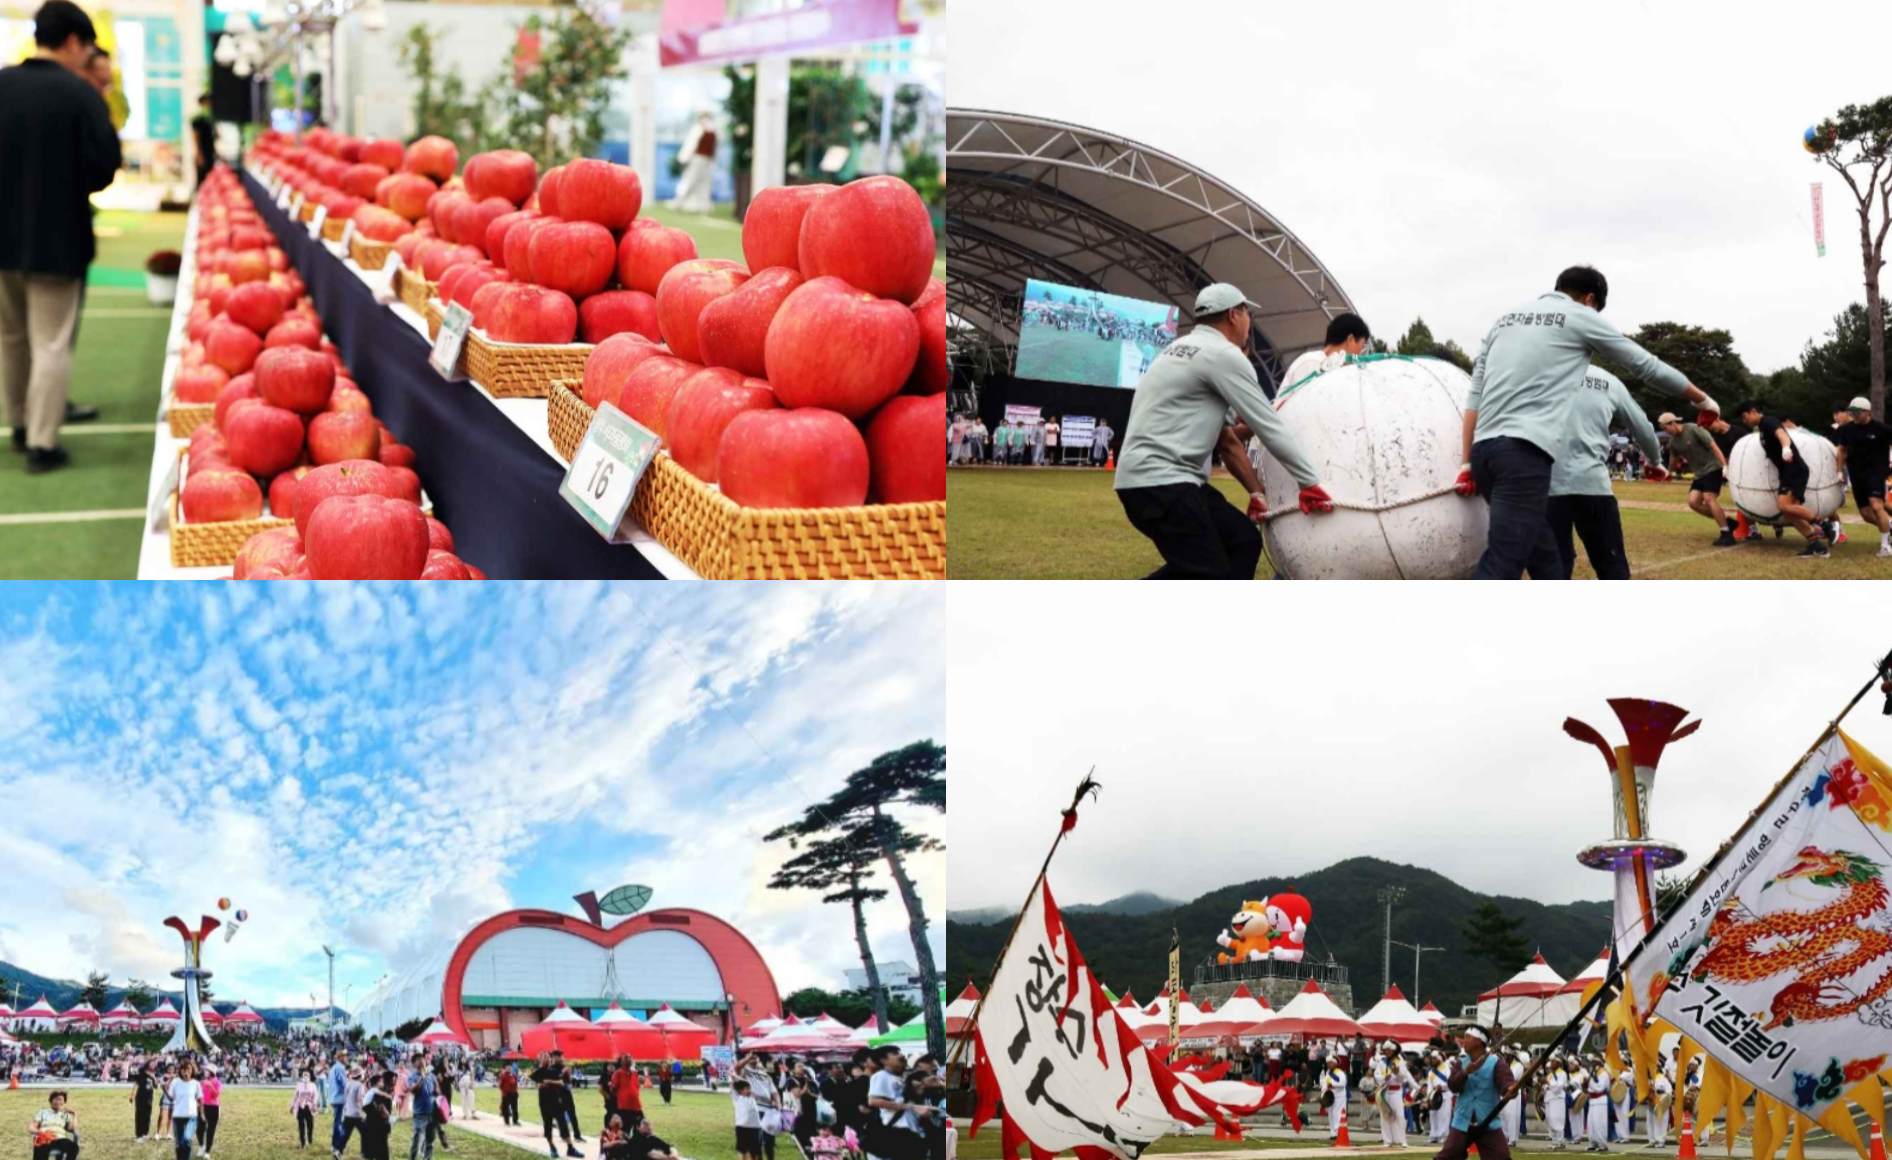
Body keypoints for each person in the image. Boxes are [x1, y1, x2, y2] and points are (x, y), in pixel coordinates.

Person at [1456, 266, 1715, 578]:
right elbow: (1646, 365)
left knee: (1549, 565)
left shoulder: (1502, 321)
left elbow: (1474, 398)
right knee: (1503, 563)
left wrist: (1467, 463)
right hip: (1523, 455)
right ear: (1591, 299)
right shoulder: (1578, 316)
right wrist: (1702, 399)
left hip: (1485, 453)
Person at [1113, 283, 1334, 579]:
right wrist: (1309, 482)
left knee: (1242, 541)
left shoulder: (1174, 350)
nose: (1249, 323)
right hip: (1164, 484)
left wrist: (1256, 492)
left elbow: (1226, 440)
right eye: (1247, 313)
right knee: (1209, 574)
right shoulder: (1224, 355)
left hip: (1150, 483)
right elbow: (1267, 424)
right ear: (1233, 315)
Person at [0, 0, 122, 474]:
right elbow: (103, 167)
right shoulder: (80, 95)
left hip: (3, 238)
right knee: (50, 341)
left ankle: (17, 422)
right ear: (74, 42)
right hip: (57, 237)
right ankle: (43, 442)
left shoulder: (2, 85)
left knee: (11, 337)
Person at [1546, 366, 1667, 579]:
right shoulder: (1607, 381)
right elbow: (1642, 426)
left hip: (1547, 486)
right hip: (1594, 486)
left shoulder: (1533, 375)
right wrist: (1654, 460)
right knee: (1612, 568)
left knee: (1552, 570)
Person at [1733, 400, 1830, 557]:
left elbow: (1782, 434)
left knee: (1782, 505)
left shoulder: (1768, 421)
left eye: (1745, 417)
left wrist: (1786, 447)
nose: (1745, 421)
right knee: (1791, 514)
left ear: (1752, 411)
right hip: (1788, 472)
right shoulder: (1762, 429)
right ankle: (1816, 545)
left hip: (1794, 469)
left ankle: (1823, 524)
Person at [1431, 1026, 1513, 1160]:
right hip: (1463, 1119)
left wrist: (1509, 1089)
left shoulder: (1496, 1063)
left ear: (1479, 1041)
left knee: (1501, 1156)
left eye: (1467, 1037)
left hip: (1488, 1119)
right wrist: (1465, 1072)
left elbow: (1505, 1080)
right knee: (1448, 1155)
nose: (1464, 1041)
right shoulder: (1460, 1063)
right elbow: (1453, 1086)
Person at [1658, 412, 1738, 545]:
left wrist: (1724, 465)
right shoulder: (1673, 441)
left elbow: (1713, 446)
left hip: (1713, 468)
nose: (1666, 432)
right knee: (1693, 502)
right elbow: (1673, 457)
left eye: (1666, 428)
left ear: (1673, 423)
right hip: (1700, 473)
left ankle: (1726, 534)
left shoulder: (1694, 429)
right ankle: (1727, 522)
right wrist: (1669, 472)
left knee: (1709, 498)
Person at [1831, 396, 1892, 556]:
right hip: (1856, 474)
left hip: (1876, 471)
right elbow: (1842, 450)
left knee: (1877, 504)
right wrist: (1839, 471)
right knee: (1866, 514)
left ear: (1867, 412)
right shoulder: (1847, 429)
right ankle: (1889, 526)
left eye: (1857, 412)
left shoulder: (1881, 429)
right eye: (1852, 412)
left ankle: (1886, 547)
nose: (1854, 415)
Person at [866, 1046, 932, 1160]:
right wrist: (910, 1107)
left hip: (913, 1130)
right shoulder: (881, 1076)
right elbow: (873, 1101)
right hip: (899, 1131)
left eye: (899, 1052)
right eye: (895, 1053)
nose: (901, 1055)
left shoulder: (901, 1077)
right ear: (883, 1060)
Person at [1282, 312, 1372, 388]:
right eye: (1362, 346)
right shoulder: (1312, 363)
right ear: (1351, 340)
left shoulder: (1333, 370)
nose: (1360, 354)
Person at [530, 1053, 580, 1159]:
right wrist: (551, 1083)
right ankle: (552, 1147)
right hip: (544, 1103)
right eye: (544, 1057)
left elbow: (561, 1083)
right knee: (548, 1125)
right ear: (539, 1060)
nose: (547, 1059)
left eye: (548, 1057)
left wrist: (549, 1082)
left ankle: (570, 1147)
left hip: (556, 1102)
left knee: (563, 1124)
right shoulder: (538, 1072)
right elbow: (538, 1085)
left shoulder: (552, 1071)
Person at [671, 112, 717, 215]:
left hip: (707, 160)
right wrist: (684, 159)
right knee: (690, 181)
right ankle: (679, 202)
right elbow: (690, 145)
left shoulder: (713, 130)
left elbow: (714, 147)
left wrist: (713, 160)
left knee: (705, 183)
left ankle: (705, 205)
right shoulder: (697, 130)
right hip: (697, 159)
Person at [1373, 1042, 1413, 1147]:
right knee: (1385, 1115)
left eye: (1389, 1050)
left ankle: (1401, 1140)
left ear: (1394, 1051)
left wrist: (1397, 1072)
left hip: (1396, 1091)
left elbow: (1402, 1077)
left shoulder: (1400, 1062)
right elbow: (1377, 1075)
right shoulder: (1382, 1062)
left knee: (1399, 1115)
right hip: (1384, 1091)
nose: (1387, 1052)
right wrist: (1383, 1078)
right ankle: (1387, 1140)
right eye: (1386, 1050)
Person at [30, 1090, 78, 1160]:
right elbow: (31, 1127)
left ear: (64, 1102)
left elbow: (72, 1128)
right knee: (40, 1152)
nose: (58, 1102)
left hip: (60, 1140)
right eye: (56, 1099)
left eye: (61, 1100)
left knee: (74, 1147)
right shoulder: (43, 1112)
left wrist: (74, 1115)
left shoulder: (65, 1114)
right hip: (45, 1139)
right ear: (51, 1100)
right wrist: (40, 1132)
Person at [170, 1061, 204, 1160]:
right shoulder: (175, 1082)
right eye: (183, 1069)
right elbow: (171, 1098)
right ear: (180, 1071)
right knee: (179, 1142)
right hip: (177, 1116)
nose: (186, 1072)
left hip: (192, 1116)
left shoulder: (195, 1083)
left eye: (188, 1069)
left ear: (192, 1070)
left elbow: (200, 1099)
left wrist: (201, 1114)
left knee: (187, 1139)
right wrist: (164, 1089)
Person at [360, 1072, 393, 1160]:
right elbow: (381, 1106)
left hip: (368, 1116)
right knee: (380, 1148)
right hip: (375, 1122)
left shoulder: (372, 1091)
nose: (383, 1083)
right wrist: (389, 1097)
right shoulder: (375, 1092)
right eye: (381, 1081)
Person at [1583, 1059, 1610, 1152]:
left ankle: (1602, 1144)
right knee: (1591, 1124)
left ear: (1599, 1063)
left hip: (1600, 1100)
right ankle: (1594, 1143)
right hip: (1592, 1101)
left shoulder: (1603, 1073)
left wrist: (1589, 1082)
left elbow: (1599, 1088)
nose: (1592, 1064)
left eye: (1594, 1062)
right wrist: (1585, 1086)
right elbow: (1591, 1088)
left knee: (1599, 1124)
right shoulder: (1594, 1073)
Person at [1320, 1052, 1348, 1141]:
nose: (1329, 1065)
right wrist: (1323, 1092)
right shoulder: (1328, 1073)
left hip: (1339, 1096)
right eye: (1328, 1063)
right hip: (1330, 1097)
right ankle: (1332, 1133)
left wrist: (1332, 1084)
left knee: (1337, 1114)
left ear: (1335, 1063)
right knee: (1331, 1115)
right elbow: (1324, 1084)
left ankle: (1338, 1132)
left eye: (1331, 1063)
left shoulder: (1340, 1073)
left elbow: (1343, 1083)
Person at [1543, 1053, 1568, 1150]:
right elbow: (1547, 1087)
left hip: (1557, 1098)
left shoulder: (1562, 1073)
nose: (1551, 1063)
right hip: (1549, 1098)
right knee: (1550, 1121)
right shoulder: (1551, 1074)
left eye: (1553, 1061)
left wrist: (1547, 1082)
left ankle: (1560, 1142)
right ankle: (1554, 1141)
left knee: (1557, 1120)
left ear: (1558, 1063)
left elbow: (1557, 1088)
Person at [612, 1056, 644, 1132]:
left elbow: (636, 1087)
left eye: (630, 1057)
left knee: (641, 1127)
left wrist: (641, 1082)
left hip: (636, 1106)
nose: (629, 1059)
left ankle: (637, 1143)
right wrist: (622, 1097)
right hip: (625, 1107)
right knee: (625, 1129)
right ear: (621, 1062)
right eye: (626, 1057)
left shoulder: (635, 1073)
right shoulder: (618, 1073)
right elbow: (613, 1089)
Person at [733, 1079, 763, 1160]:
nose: (749, 1090)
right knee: (742, 1150)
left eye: (749, 1088)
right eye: (747, 1088)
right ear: (741, 1090)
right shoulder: (737, 1098)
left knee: (754, 1151)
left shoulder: (752, 1099)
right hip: (742, 1128)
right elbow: (733, 1083)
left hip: (755, 1128)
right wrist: (735, 1076)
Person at [190, 94, 215, 190]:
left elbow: (213, 138)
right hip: (202, 154)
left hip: (210, 153)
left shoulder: (210, 119)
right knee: (201, 180)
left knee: (209, 179)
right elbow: (195, 137)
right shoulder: (198, 119)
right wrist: (199, 154)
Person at [198, 1064, 223, 1156]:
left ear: (212, 1072)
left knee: (210, 1130)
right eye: (204, 1070)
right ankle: (201, 1146)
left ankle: (207, 1151)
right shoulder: (202, 1082)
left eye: (207, 1070)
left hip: (213, 1108)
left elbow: (216, 1095)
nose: (205, 1072)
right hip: (203, 1107)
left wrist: (210, 1086)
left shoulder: (217, 1082)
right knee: (199, 1129)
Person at [294, 1069, 320, 1148]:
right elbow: (295, 1096)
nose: (305, 1077)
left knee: (310, 1125)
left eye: (307, 1076)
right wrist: (292, 1106)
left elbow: (316, 1096)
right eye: (304, 1076)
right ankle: (303, 1142)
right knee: (301, 1126)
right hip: (300, 1107)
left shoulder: (313, 1085)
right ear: (302, 1077)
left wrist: (315, 1105)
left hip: (309, 1107)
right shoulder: (299, 1085)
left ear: (309, 1077)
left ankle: (310, 1139)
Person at [133, 1059, 157, 1142]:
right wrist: (132, 1096)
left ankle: (145, 1133)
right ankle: (139, 1134)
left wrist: (154, 1078)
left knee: (147, 1116)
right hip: (140, 1097)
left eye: (155, 1063)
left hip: (149, 1099)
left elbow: (156, 1086)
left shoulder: (153, 1074)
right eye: (152, 1062)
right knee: (140, 1116)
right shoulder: (141, 1073)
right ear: (148, 1064)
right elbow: (136, 1084)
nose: (154, 1064)